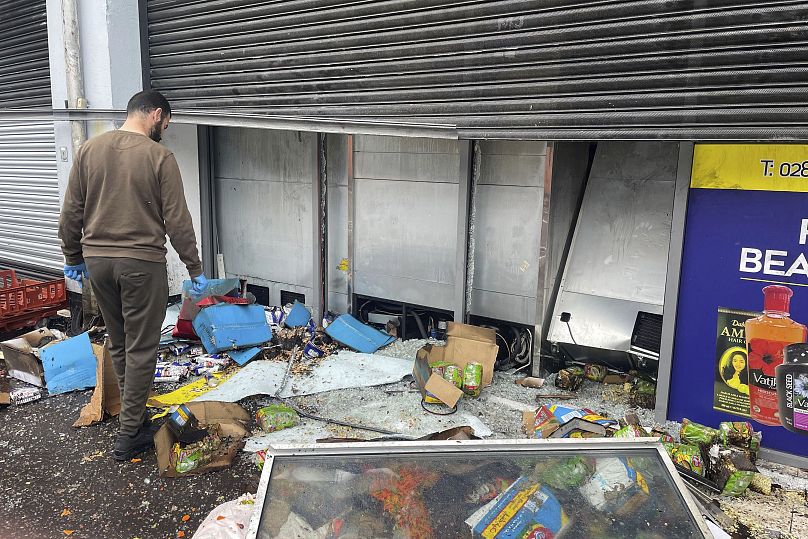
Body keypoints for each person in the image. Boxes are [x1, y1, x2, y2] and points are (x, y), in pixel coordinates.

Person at [59, 90, 208, 461]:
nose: (165, 131)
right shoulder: (158, 156)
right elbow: (177, 220)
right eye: (166, 124)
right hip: (141, 264)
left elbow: (71, 212)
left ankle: (136, 416)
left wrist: (72, 254)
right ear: (156, 114)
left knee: (122, 342)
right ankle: (129, 437)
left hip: (97, 264)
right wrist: (194, 267)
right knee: (142, 348)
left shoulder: (89, 151)